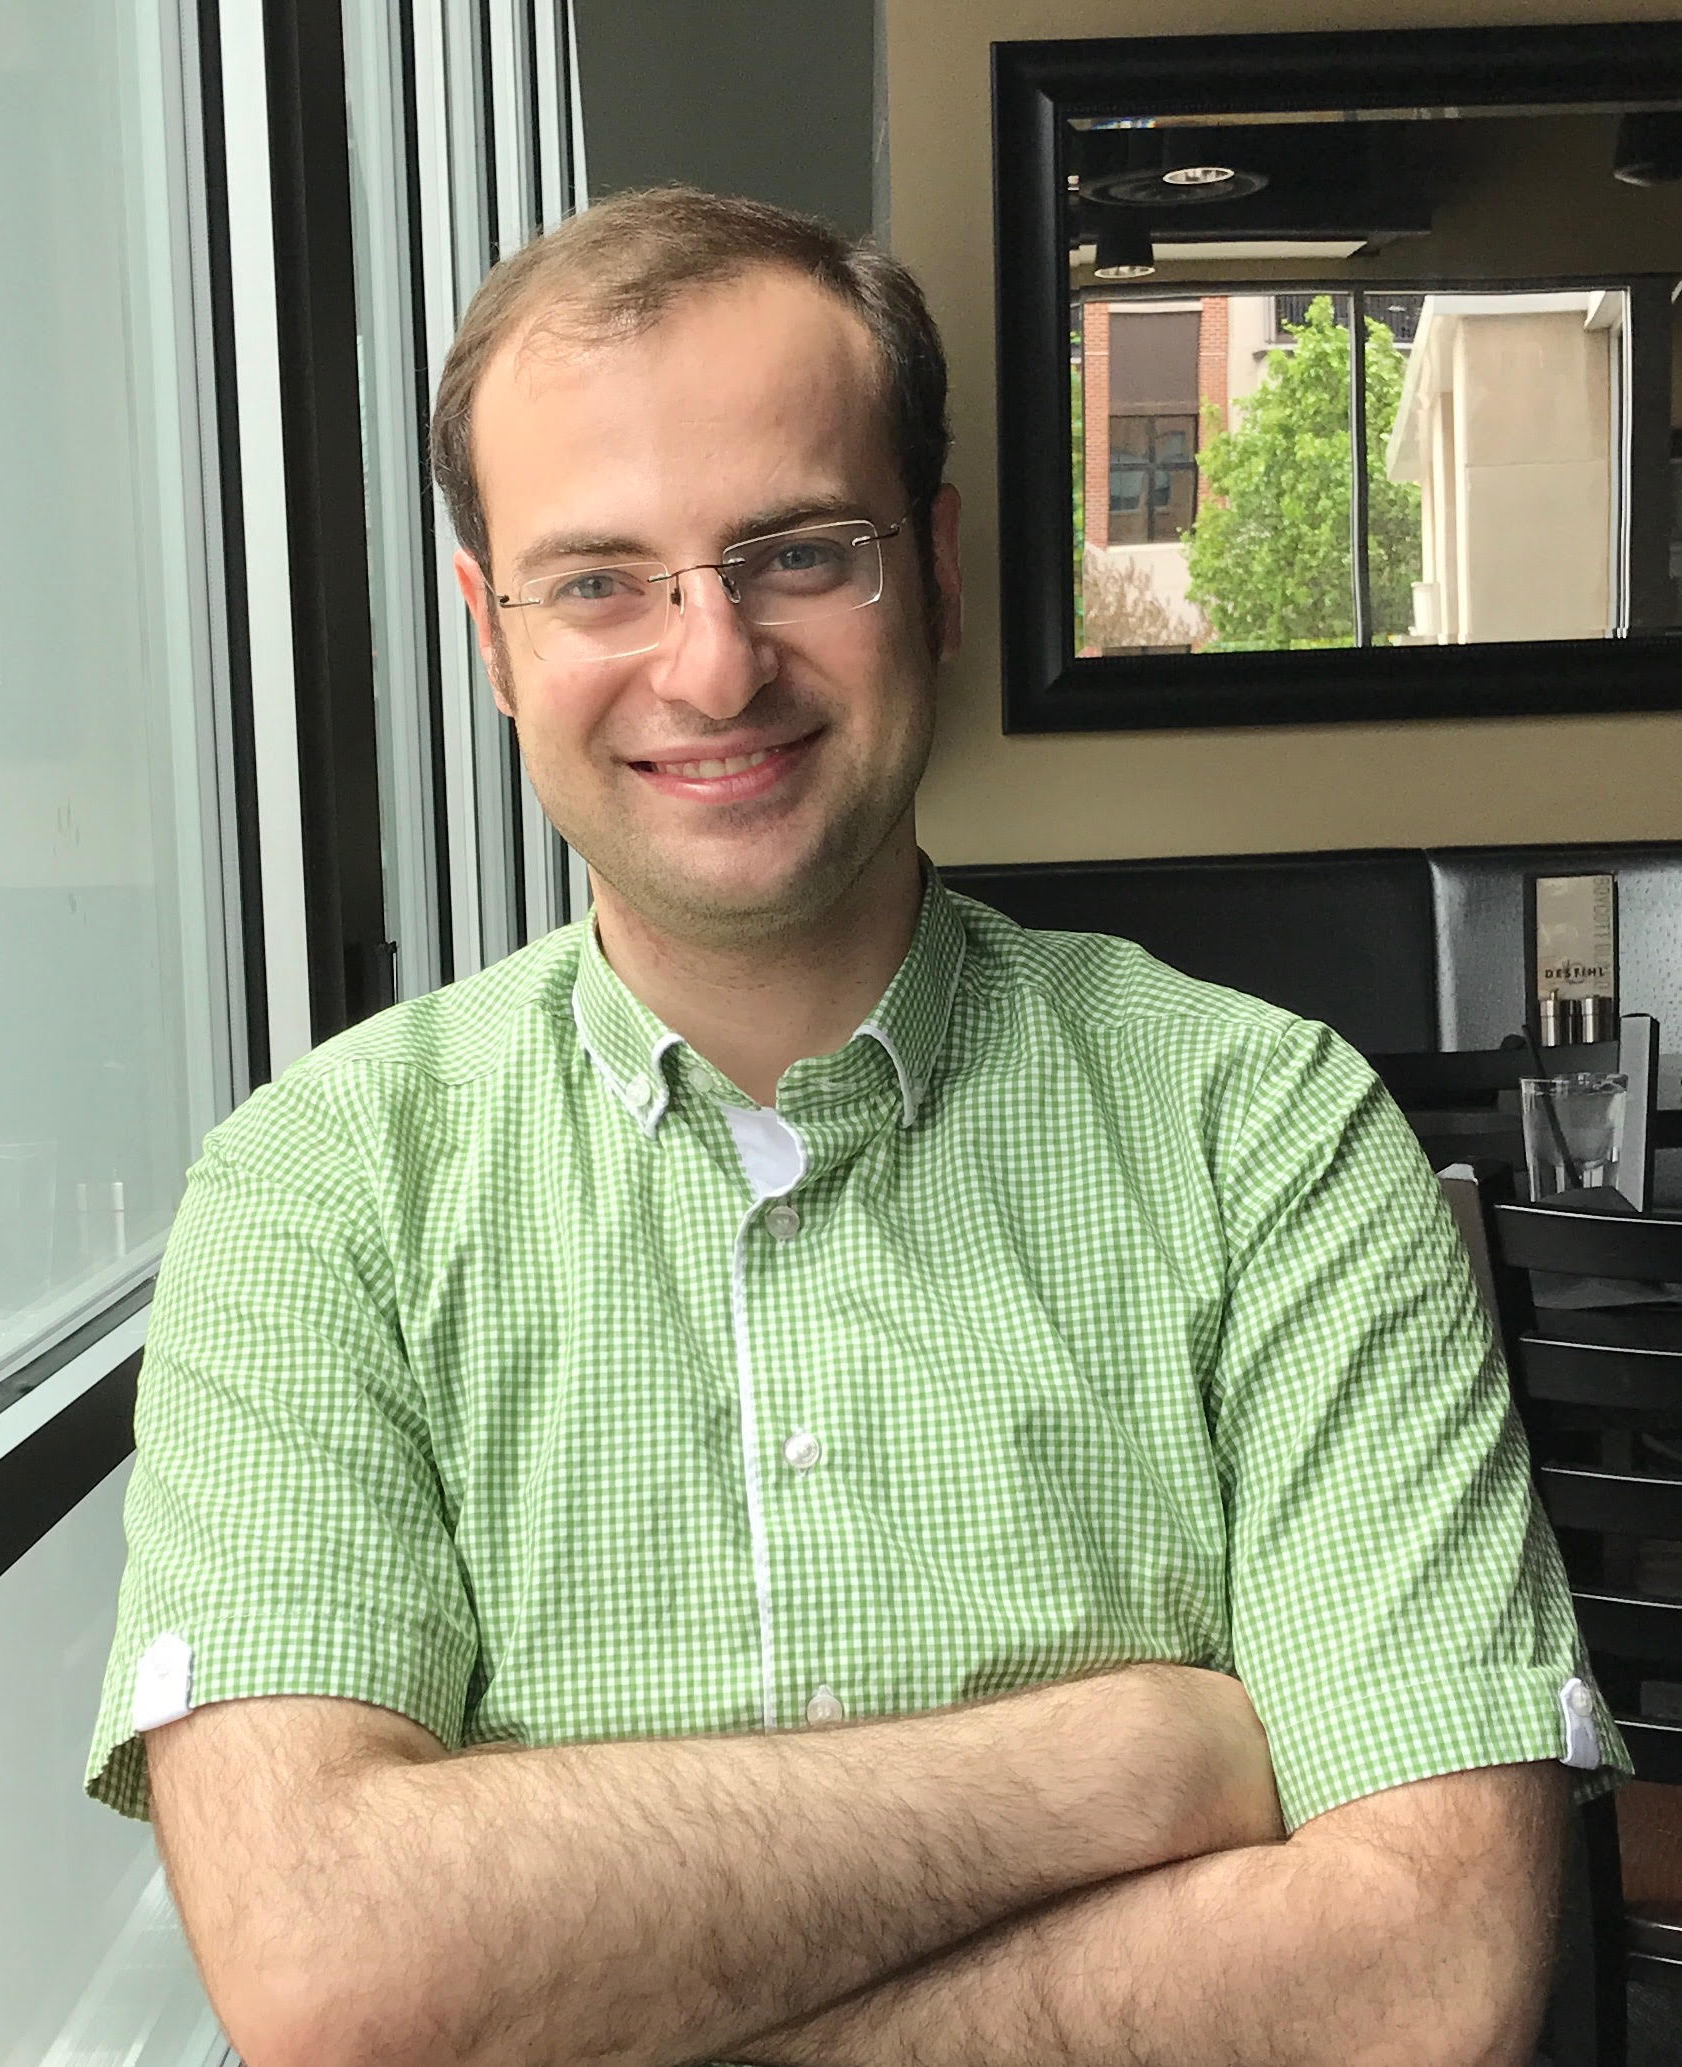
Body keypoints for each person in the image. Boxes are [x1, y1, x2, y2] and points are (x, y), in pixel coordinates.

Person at [88, 188, 1627, 2067]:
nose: (712, 666)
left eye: (799, 553)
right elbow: (330, 1972)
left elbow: (1424, 1978)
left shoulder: (1271, 1136)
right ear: (492, 640)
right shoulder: (315, 1195)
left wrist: (597, 1991)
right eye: (601, 582)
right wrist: (1120, 1763)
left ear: (939, 572)